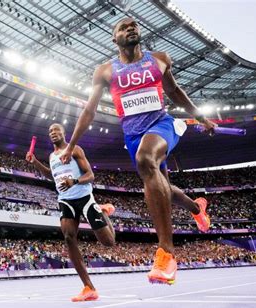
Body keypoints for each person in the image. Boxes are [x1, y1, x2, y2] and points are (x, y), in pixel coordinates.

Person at [59, 17, 216, 285]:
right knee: (162, 185)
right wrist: (71, 145)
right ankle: (196, 207)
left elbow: (175, 91)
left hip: (161, 125)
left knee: (146, 160)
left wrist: (200, 117)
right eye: (122, 27)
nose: (130, 28)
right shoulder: (106, 71)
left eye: (133, 25)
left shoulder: (159, 59)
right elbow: (89, 110)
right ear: (114, 38)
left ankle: (167, 255)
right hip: (133, 135)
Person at [26, 123, 116, 302]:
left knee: (108, 242)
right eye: (50, 131)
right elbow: (51, 176)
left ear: (63, 133)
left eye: (56, 130)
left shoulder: (75, 150)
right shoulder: (52, 156)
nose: (53, 133)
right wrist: (35, 162)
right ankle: (88, 287)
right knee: (68, 237)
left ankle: (104, 211)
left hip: (84, 197)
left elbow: (90, 175)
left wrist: (74, 181)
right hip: (65, 200)